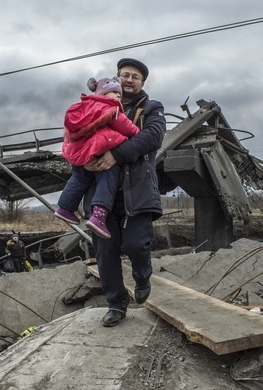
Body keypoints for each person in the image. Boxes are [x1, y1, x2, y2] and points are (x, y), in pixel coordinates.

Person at [84, 58, 166, 327]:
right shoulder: (97, 105)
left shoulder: (152, 108)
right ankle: (116, 304)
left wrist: (115, 154)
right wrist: (83, 158)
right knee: (105, 254)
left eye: (135, 77)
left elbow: (152, 138)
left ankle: (142, 277)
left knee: (135, 245)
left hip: (138, 193)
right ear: (117, 79)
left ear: (142, 83)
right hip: (101, 198)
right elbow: (78, 136)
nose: (129, 80)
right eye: (124, 75)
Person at [54, 77, 140, 239]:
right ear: (103, 94)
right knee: (108, 177)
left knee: (80, 177)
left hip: (82, 152)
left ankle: (64, 207)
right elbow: (127, 128)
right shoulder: (110, 109)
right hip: (99, 149)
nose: (117, 96)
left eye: (119, 93)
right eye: (114, 92)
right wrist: (137, 133)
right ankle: (99, 216)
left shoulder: (85, 107)